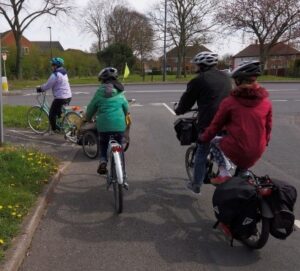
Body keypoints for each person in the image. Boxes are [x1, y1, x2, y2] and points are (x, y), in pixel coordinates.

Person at [199, 61, 272, 184]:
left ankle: (224, 173)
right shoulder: (266, 102)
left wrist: (203, 137)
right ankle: (243, 173)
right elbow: (268, 127)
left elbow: (215, 126)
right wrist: (266, 141)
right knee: (246, 154)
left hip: (239, 150)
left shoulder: (230, 102)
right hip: (258, 150)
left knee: (214, 141)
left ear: (238, 81)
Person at [175, 51, 232, 194]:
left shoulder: (198, 80)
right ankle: (225, 168)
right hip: (229, 120)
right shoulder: (226, 77)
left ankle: (196, 184)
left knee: (201, 151)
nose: (195, 67)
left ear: (201, 65)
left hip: (209, 122)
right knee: (222, 145)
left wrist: (178, 110)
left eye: (196, 65)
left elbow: (187, 101)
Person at [85, 67, 129, 175]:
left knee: (103, 144)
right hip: (119, 126)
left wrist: (88, 119)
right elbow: (126, 108)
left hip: (103, 127)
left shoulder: (99, 93)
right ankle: (122, 172)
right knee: (119, 145)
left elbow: (90, 109)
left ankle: (103, 161)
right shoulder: (120, 92)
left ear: (103, 81)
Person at [36, 57, 72, 133]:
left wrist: (40, 88)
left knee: (51, 114)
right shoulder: (64, 72)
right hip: (68, 96)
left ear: (56, 66)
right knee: (59, 112)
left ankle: (54, 130)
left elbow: (47, 85)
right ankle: (61, 125)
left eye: (52, 65)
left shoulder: (55, 75)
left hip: (60, 97)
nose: (51, 66)